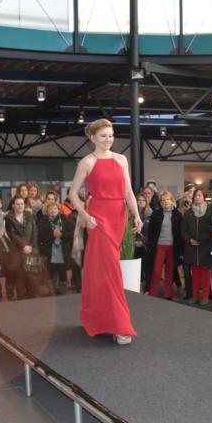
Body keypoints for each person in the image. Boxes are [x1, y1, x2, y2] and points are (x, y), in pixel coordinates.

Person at [68, 119, 142, 345]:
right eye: (103, 136)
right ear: (92, 138)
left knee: (100, 270)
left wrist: (136, 214)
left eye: (110, 135)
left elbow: (128, 192)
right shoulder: (87, 162)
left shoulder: (121, 159)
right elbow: (72, 194)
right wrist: (85, 215)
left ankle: (96, 318)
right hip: (98, 219)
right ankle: (119, 326)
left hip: (118, 216)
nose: (108, 139)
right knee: (111, 271)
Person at [147, 191, 183, 300]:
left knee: (170, 271)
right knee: (156, 270)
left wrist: (180, 250)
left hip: (172, 247)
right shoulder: (156, 214)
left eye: (167, 199)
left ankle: (168, 294)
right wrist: (151, 243)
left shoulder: (178, 215)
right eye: (163, 200)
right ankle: (153, 293)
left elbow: (180, 234)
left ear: (172, 201)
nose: (165, 202)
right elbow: (150, 231)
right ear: (160, 203)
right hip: (159, 246)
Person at [6, 195, 39, 299]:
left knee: (32, 275)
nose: (20, 206)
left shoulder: (30, 215)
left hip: (30, 250)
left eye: (22, 204)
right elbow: (12, 235)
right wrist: (24, 246)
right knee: (20, 275)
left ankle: (32, 296)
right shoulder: (8, 218)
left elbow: (34, 232)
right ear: (13, 205)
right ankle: (21, 297)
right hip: (16, 251)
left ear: (24, 205)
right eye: (17, 204)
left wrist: (31, 246)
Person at [182, 188, 211, 305]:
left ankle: (205, 296)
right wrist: (190, 240)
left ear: (204, 197)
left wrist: (201, 239)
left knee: (204, 274)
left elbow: (211, 228)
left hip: (205, 247)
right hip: (192, 247)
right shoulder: (188, 213)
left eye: (200, 195)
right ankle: (195, 295)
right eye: (196, 196)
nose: (197, 197)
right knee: (194, 274)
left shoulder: (210, 212)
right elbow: (183, 230)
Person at [37, 201, 73, 295]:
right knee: (50, 274)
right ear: (47, 211)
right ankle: (52, 293)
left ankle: (63, 294)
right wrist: (52, 235)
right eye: (50, 209)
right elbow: (40, 236)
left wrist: (62, 234)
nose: (53, 210)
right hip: (49, 252)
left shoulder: (65, 219)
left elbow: (71, 234)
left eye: (55, 208)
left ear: (58, 210)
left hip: (62, 252)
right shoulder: (43, 221)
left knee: (63, 274)